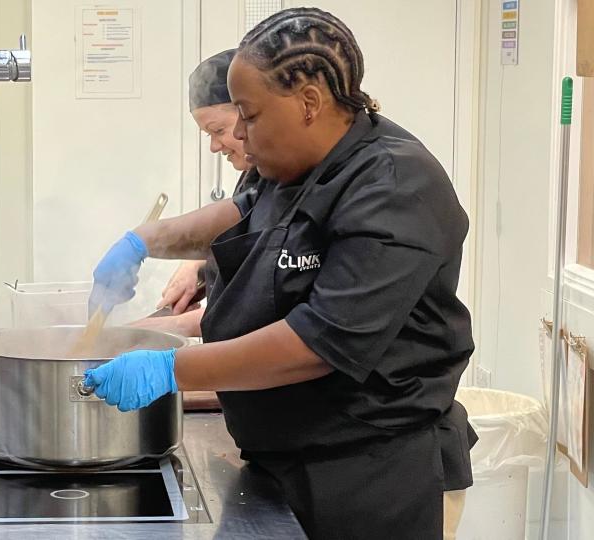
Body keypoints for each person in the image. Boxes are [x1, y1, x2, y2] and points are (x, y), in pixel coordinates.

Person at [83, 8, 475, 539]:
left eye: (248, 114)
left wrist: (172, 371)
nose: (240, 133)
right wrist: (145, 241)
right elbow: (243, 216)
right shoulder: (296, 162)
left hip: (368, 474)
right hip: (287, 454)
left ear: (309, 103)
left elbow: (319, 343)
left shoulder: (395, 185)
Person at [135, 49, 258, 338]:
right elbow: (239, 238)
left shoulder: (289, 183)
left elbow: (258, 307)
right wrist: (197, 265)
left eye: (219, 130)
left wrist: (160, 329)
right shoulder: (254, 176)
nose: (215, 147)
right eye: (208, 135)